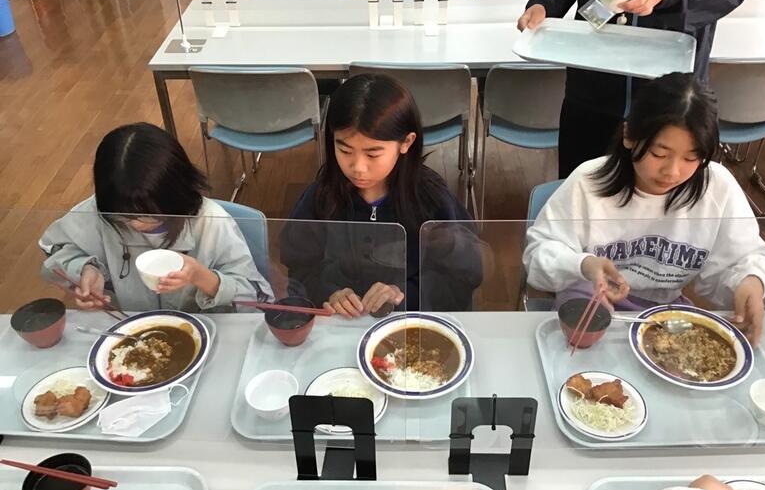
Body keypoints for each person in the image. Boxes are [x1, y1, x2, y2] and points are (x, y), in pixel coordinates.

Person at [523, 73, 765, 345]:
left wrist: (751, 281)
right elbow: (538, 255)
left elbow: (743, 258)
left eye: (691, 158)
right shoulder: (588, 183)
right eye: (659, 154)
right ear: (629, 136)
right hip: (590, 302)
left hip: (662, 314)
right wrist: (585, 264)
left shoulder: (716, 187)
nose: (672, 171)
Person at [516, 0, 755, 178]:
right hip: (593, 85)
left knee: (666, 194)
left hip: (674, 94)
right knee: (583, 187)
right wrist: (544, 3)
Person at [282, 74, 482, 316]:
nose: (358, 167)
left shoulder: (430, 198)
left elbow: (462, 276)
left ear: (406, 142)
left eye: (372, 154)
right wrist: (329, 293)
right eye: (344, 150)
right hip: (341, 325)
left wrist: (404, 294)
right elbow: (300, 269)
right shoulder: (322, 196)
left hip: (409, 323)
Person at [40, 123, 273, 312]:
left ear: (176, 194)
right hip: (132, 331)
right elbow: (57, 249)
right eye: (124, 217)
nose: (136, 224)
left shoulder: (210, 222)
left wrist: (201, 277)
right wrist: (85, 269)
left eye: (149, 214)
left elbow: (257, 299)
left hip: (206, 331)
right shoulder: (101, 212)